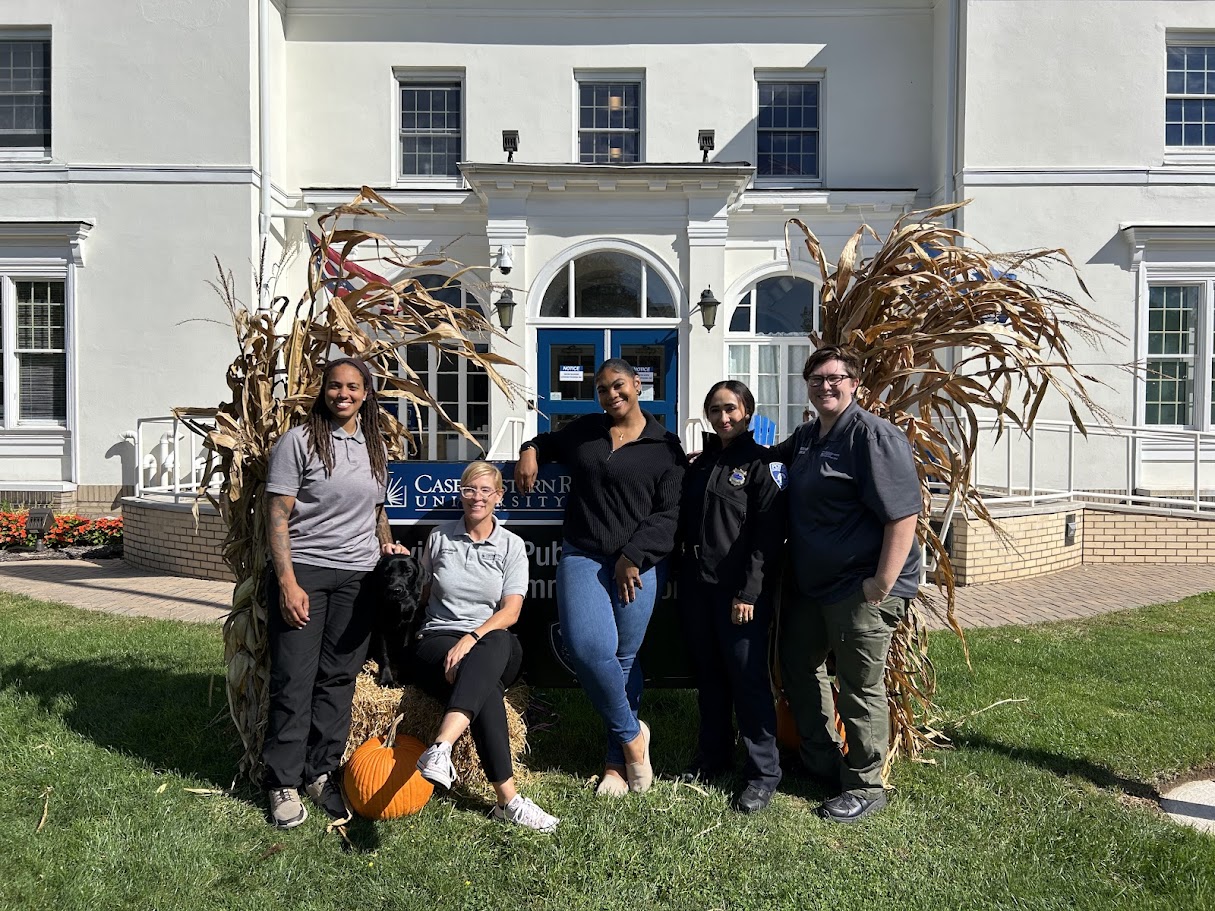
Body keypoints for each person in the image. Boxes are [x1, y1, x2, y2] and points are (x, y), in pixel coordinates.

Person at [514, 359, 685, 797]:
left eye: (619, 385)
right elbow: (546, 441)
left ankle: (614, 766)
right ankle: (632, 739)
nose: (612, 395)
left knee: (624, 658)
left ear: (638, 384)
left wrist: (634, 555)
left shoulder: (665, 445)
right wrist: (530, 451)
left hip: (639, 565)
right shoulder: (585, 430)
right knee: (589, 648)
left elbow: (669, 515)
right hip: (583, 555)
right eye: (603, 388)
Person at [768, 345, 922, 824]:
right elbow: (764, 462)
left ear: (855, 384)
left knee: (859, 685)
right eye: (816, 379)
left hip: (861, 588)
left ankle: (865, 784)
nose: (825, 386)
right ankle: (822, 761)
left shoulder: (873, 437)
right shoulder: (809, 436)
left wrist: (881, 583)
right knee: (798, 664)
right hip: (814, 585)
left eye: (836, 378)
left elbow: (903, 517)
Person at [262, 357, 408, 829]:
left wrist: (384, 539)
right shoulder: (299, 441)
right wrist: (287, 582)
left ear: (366, 394)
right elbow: (278, 516)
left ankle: (321, 771)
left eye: (353, 387)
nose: (342, 394)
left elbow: (376, 509)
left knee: (339, 678)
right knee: (294, 678)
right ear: (321, 391)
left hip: (357, 578)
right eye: (334, 386)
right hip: (305, 571)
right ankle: (282, 780)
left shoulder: (373, 445)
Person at [412, 461, 559, 833]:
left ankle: (441, 744)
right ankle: (508, 801)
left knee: (494, 641)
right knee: (486, 690)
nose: (476, 498)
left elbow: (511, 611)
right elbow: (422, 593)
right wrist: (401, 563)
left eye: (484, 491)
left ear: (498, 496)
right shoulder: (439, 537)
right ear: (460, 494)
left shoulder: (510, 545)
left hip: (491, 641)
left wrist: (471, 637)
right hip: (438, 641)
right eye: (469, 490)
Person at [678, 380, 785, 813]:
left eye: (731, 409)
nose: (723, 417)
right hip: (697, 590)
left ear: (747, 412)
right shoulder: (702, 464)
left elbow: (766, 537)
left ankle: (763, 773)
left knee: (748, 681)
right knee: (710, 679)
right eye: (715, 410)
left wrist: (749, 593)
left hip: (739, 595)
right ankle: (714, 756)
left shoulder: (761, 465)